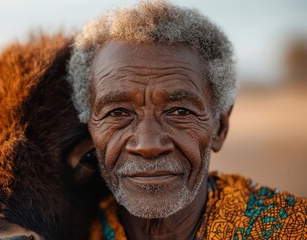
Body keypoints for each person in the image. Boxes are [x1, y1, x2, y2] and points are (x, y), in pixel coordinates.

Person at [67, 1, 307, 239]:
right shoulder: (73, 230)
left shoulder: (289, 228)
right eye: (118, 112)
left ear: (220, 128)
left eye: (180, 112)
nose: (148, 145)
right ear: (90, 130)